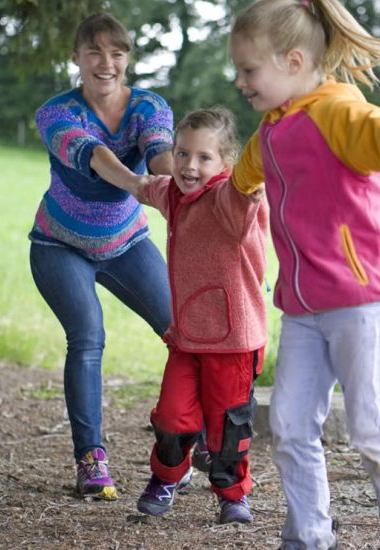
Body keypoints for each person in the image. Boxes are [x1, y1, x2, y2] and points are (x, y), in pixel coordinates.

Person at [228, 0, 380, 547]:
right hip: (303, 310)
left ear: (293, 60)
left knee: (372, 427)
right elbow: (242, 177)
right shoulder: (271, 130)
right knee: (287, 427)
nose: (239, 81)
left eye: (248, 69)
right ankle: (307, 536)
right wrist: (218, 192)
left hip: (362, 300)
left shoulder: (337, 114)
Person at [29, 12, 179, 501]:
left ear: (128, 59)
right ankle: (90, 459)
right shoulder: (56, 112)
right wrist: (139, 186)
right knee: (88, 336)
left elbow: (159, 151)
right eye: (94, 51)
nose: (105, 62)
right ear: (76, 58)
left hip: (127, 244)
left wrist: (171, 184)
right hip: (60, 246)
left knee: (184, 332)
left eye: (116, 53)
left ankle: (181, 441)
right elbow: (92, 154)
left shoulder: (148, 105)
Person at [120, 108, 268, 524]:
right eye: (182, 153)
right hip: (186, 338)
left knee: (227, 429)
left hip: (234, 342)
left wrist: (252, 180)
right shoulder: (174, 195)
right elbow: (141, 185)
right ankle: (169, 476)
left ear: (226, 163)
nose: (190, 166)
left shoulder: (229, 199)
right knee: (171, 416)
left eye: (204, 157)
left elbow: (245, 187)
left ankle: (232, 494)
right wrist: (94, 156)